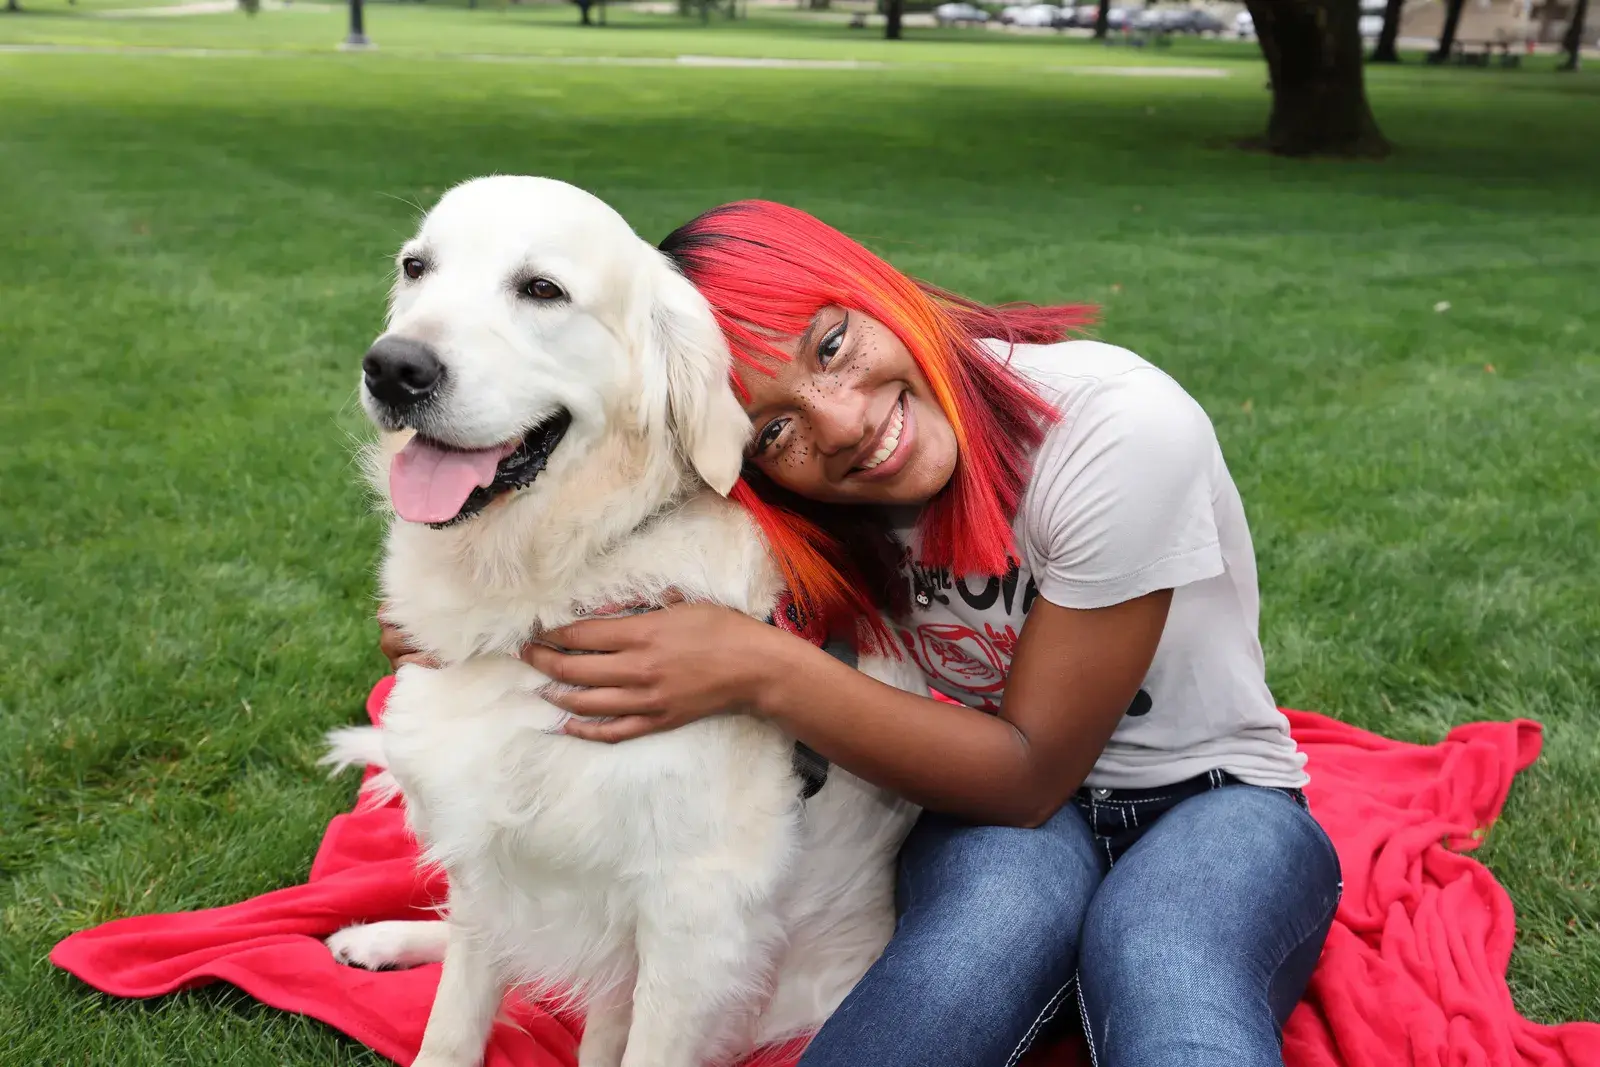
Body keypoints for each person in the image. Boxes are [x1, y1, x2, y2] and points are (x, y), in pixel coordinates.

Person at [378, 200, 1342, 1067]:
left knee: (1167, 954)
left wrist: (759, 668)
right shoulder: (799, 481)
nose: (836, 424)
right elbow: (615, 510)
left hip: (1206, 797)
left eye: (831, 345)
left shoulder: (1119, 429)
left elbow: (1031, 769)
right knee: (948, 976)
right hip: (980, 815)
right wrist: (469, 621)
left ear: (871, 284)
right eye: (775, 428)